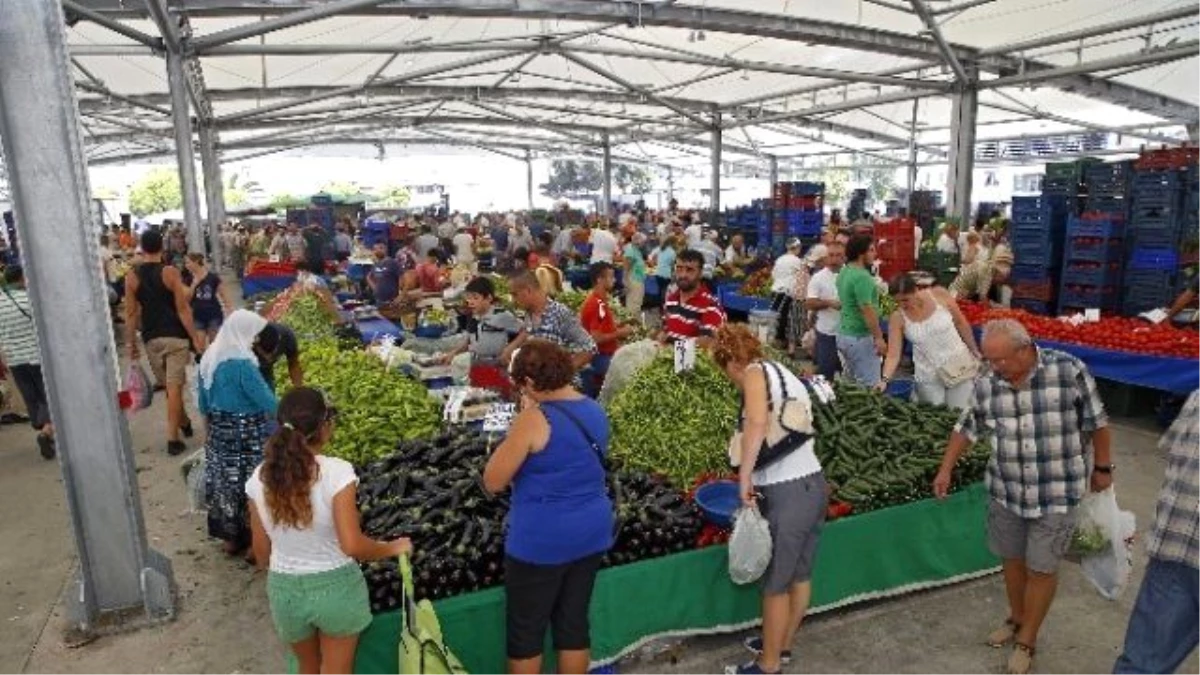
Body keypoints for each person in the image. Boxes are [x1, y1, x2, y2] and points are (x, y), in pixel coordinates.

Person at [933, 319, 1112, 675]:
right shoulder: (988, 382)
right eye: (990, 360)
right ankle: (1016, 618)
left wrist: (1103, 468)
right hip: (1006, 489)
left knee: (1042, 566)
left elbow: (1097, 421)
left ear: (1025, 349)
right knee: (1012, 560)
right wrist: (946, 468)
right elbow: (967, 427)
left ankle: (1028, 639)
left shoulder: (1068, 370)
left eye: (1001, 360)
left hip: (1057, 490)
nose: (995, 368)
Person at [247, 387, 412, 675]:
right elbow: (352, 545)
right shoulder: (337, 473)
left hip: (285, 590)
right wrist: (392, 548)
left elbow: (261, 553)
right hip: (336, 589)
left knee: (307, 668)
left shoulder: (259, 478)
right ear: (324, 427)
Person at [482, 340, 614, 675]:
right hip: (592, 531)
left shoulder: (534, 420)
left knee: (526, 631)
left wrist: (526, 413)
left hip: (542, 539)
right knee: (573, 622)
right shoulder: (594, 409)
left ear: (527, 383)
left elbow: (493, 480)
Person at [712, 324, 826, 675]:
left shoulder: (752, 374)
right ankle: (782, 645)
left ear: (731, 362)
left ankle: (768, 665)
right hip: (813, 483)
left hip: (786, 490)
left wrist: (744, 476)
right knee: (799, 575)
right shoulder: (783, 371)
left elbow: (757, 425)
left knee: (775, 586)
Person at [1113, 388, 1200, 674]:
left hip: (1177, 549)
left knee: (1142, 664)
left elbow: (1173, 454)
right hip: (1178, 555)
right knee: (1141, 664)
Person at [198, 310, 278, 557]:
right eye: (254, 336)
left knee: (225, 483)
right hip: (248, 434)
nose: (255, 342)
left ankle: (231, 541)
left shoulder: (209, 359)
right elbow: (267, 402)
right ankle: (256, 546)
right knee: (252, 485)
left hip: (220, 432)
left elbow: (202, 404)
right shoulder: (243, 365)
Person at [125, 229, 203, 456]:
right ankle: (172, 439)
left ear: (142, 247)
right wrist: (195, 339)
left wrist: (132, 344)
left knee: (172, 388)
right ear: (161, 247)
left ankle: (184, 424)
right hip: (175, 337)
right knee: (174, 388)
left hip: (151, 340)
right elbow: (182, 309)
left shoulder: (131, 277)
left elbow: (130, 314)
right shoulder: (169, 272)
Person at [879, 275, 981, 409]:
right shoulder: (897, 317)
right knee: (936, 417)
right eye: (897, 302)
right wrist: (884, 379)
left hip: (958, 366)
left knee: (961, 414)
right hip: (928, 376)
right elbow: (893, 354)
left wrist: (974, 350)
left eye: (905, 300)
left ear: (915, 290)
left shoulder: (939, 294)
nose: (902, 305)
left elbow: (961, 323)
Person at [0, 266, 55, 459]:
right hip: (37, 357)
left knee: (31, 398)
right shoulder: (30, 299)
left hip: (15, 360)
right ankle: (46, 431)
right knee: (47, 396)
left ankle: (42, 425)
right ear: (22, 278)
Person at [501, 271, 596, 372]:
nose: (513, 300)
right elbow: (529, 333)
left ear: (528, 291)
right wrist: (510, 349)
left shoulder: (560, 314)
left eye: (515, 294)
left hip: (557, 385)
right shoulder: (529, 313)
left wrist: (562, 374)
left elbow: (589, 348)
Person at [835, 234, 886, 387]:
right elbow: (867, 310)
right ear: (860, 253)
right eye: (871, 250)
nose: (874, 254)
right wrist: (878, 338)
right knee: (870, 386)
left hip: (844, 334)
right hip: (860, 337)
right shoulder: (862, 277)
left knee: (851, 386)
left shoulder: (845, 272)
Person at [579, 263, 635, 398]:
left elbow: (601, 326)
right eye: (611, 277)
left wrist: (618, 326)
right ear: (600, 280)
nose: (614, 280)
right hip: (600, 358)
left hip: (602, 355)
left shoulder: (599, 301)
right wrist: (620, 333)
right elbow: (596, 338)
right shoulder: (597, 304)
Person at [661, 249, 725, 348]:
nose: (683, 275)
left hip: (691, 362)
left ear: (700, 273)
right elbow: (665, 331)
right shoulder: (671, 299)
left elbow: (710, 341)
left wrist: (674, 345)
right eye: (679, 269)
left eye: (689, 270)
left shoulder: (710, 304)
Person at [805, 242, 844, 381]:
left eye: (838, 255)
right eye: (831, 255)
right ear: (826, 257)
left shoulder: (851, 276)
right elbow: (809, 303)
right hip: (827, 333)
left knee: (848, 374)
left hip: (848, 334)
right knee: (825, 373)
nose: (834, 259)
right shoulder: (818, 277)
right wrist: (828, 303)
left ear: (844, 257)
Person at [185, 253, 234, 350]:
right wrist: (194, 285)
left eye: (188, 262)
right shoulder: (188, 279)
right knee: (200, 345)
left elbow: (223, 294)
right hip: (197, 315)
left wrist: (229, 308)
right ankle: (203, 363)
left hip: (213, 314)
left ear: (196, 262)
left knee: (214, 344)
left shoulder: (212, 277)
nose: (186, 265)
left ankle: (213, 362)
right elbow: (187, 299)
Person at [769, 239, 805, 350]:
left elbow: (773, 274)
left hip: (775, 289)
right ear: (797, 248)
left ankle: (775, 338)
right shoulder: (797, 261)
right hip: (787, 291)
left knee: (775, 315)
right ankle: (781, 340)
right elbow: (802, 277)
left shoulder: (780, 259)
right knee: (784, 317)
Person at [949, 249, 1014, 307]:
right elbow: (982, 297)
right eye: (1002, 275)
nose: (1003, 278)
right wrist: (996, 308)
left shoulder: (988, 267)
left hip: (965, 294)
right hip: (956, 294)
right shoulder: (985, 271)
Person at [255, 322, 303, 392]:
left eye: (271, 354)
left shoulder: (288, 338)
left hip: (265, 369)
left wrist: (299, 390)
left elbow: (293, 365)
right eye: (264, 354)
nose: (268, 359)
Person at [366, 242, 402, 308]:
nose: (378, 251)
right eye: (375, 249)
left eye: (381, 248)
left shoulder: (392, 262)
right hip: (379, 301)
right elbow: (369, 277)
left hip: (392, 301)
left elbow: (402, 278)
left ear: (386, 249)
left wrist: (400, 296)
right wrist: (375, 289)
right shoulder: (375, 264)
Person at [622, 232, 647, 320]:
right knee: (634, 305)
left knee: (634, 304)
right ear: (638, 241)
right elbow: (626, 267)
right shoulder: (631, 250)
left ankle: (631, 324)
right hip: (634, 280)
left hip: (637, 280)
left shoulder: (635, 250)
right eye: (643, 242)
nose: (644, 244)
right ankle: (631, 324)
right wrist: (625, 281)